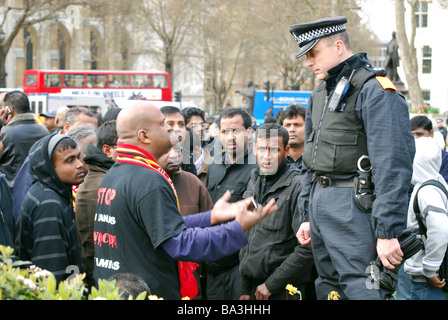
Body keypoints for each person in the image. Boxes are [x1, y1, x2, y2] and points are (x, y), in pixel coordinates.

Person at [93, 101, 276, 300]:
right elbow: (179, 243)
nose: (171, 130)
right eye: (163, 125)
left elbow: (159, 229)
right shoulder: (147, 179)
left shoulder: (117, 172)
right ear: (144, 136)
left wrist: (212, 216)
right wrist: (236, 228)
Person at [291, 16, 415, 299]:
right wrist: (306, 215)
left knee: (365, 289)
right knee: (327, 287)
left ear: (337, 46)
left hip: (356, 208)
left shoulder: (376, 90)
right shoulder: (319, 93)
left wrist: (387, 231)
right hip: (322, 205)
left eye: (313, 53)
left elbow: (393, 165)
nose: (308, 62)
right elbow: (311, 160)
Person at [239, 123, 315, 300]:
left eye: (274, 150)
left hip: (283, 291)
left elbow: (307, 249)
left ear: (286, 150)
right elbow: (246, 238)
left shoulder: (299, 187)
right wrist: (244, 287)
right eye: (262, 149)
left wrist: (271, 285)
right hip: (253, 289)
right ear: (254, 149)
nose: (267, 157)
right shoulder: (253, 182)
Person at [17, 133, 85, 282]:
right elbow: (51, 271)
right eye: (70, 160)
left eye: (78, 157)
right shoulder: (48, 204)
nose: (79, 164)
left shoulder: (53, 193)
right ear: (49, 168)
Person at [205, 108, 258, 300]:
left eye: (236, 130)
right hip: (212, 262)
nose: (230, 137)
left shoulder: (258, 167)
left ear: (249, 132)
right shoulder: (214, 165)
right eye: (225, 131)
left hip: (241, 265)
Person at [158, 142, 214, 300]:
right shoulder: (145, 184)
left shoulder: (193, 183)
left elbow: (211, 228)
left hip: (192, 277)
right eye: (167, 150)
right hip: (158, 277)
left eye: (178, 150)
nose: (175, 155)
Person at [396, 137, 448, 300]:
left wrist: (429, 269)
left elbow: (441, 229)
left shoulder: (427, 192)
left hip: (426, 280)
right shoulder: (438, 184)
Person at [75, 121, 117, 289]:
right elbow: (91, 248)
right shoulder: (98, 184)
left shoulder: (111, 175)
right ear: (107, 150)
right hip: (104, 281)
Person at [0, 90, 49, 190]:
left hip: (10, 194)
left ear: (9, 110)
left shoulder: (4, 133)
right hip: (37, 192)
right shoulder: (44, 131)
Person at [160, 106, 197, 176]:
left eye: (181, 124)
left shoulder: (188, 162)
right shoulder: (150, 163)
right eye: (170, 124)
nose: (177, 129)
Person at [410, 115, 448, 182]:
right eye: (412, 135)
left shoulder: (445, 158)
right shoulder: (408, 158)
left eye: (419, 134)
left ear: (431, 133)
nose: (415, 138)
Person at [279, 103, 306, 169]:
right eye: (287, 125)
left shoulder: (318, 160)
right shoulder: (274, 161)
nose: (292, 130)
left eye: (297, 125)